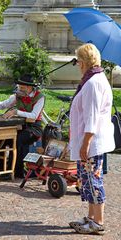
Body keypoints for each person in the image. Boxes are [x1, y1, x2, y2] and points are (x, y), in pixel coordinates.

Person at [68, 43, 115, 235]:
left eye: (79, 59)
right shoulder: (92, 79)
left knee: (93, 181)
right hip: (89, 141)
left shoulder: (94, 83)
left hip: (92, 143)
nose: (78, 63)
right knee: (87, 181)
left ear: (85, 61)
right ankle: (91, 218)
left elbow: (92, 117)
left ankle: (98, 222)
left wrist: (85, 143)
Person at [0, 74, 45, 178]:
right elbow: (3, 104)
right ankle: (0, 170)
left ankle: (14, 171)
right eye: (19, 87)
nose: (19, 89)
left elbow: (34, 116)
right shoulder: (18, 95)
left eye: (22, 87)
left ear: (29, 87)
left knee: (17, 141)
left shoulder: (39, 97)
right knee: (2, 140)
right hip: (20, 126)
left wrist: (16, 112)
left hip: (34, 128)